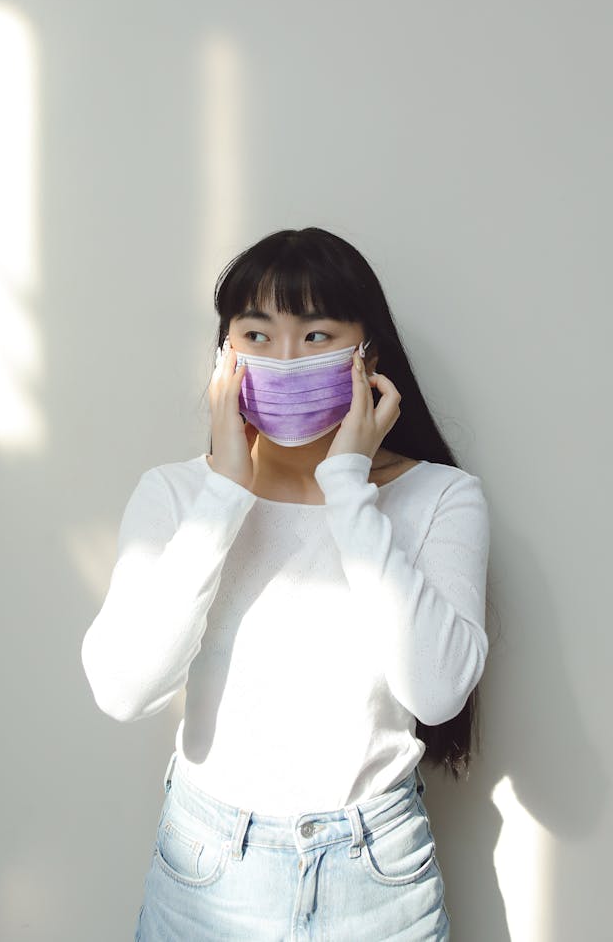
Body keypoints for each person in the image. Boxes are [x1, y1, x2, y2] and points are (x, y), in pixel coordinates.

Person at [81, 227, 490, 941]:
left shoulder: (442, 498)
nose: (285, 359)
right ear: (225, 354)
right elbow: (123, 688)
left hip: (380, 875)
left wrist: (347, 486)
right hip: (207, 874)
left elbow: (437, 689)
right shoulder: (176, 494)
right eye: (258, 334)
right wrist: (226, 489)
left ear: (369, 356)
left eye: (316, 333)